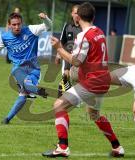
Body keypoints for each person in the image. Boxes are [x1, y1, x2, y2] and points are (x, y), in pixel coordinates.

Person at [42, 2, 124, 158]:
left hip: (92, 82)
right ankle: (117, 147)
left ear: (78, 17)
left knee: (59, 105)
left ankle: (62, 147)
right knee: (94, 114)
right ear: (93, 17)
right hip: (103, 80)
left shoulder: (83, 36)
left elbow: (77, 61)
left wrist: (59, 48)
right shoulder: (99, 31)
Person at [0, 12, 51, 124]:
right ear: (9, 25)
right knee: (23, 81)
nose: (17, 27)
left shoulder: (31, 30)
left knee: (23, 94)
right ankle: (38, 91)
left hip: (34, 69)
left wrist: (45, 18)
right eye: (14, 25)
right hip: (19, 69)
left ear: (22, 23)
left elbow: (48, 26)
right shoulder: (5, 37)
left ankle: (7, 119)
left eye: (18, 24)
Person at [55, 4, 82, 97]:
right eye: (75, 13)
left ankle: (74, 96)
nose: (77, 15)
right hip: (67, 54)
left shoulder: (84, 27)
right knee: (66, 74)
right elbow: (62, 41)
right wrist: (58, 55)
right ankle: (62, 95)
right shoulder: (67, 26)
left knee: (78, 77)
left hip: (80, 57)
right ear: (72, 14)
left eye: (79, 13)